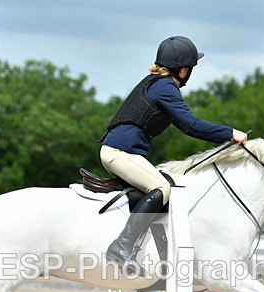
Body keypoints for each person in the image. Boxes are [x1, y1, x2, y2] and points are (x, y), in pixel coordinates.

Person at [100, 36, 248, 274]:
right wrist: (230, 133)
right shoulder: (165, 87)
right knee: (162, 189)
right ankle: (122, 246)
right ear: (182, 69)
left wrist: (224, 137)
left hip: (120, 151)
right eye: (190, 68)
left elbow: (186, 126)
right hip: (120, 152)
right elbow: (192, 124)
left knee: (163, 185)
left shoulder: (157, 84)